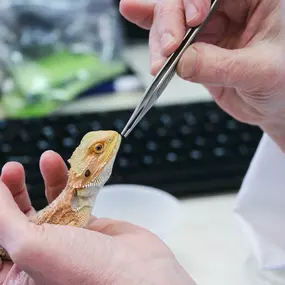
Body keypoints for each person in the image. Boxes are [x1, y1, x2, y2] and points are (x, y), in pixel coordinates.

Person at [0, 0, 284, 283]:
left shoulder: (78, 208)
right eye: (98, 149)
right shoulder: (72, 210)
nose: (109, 142)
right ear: (85, 172)